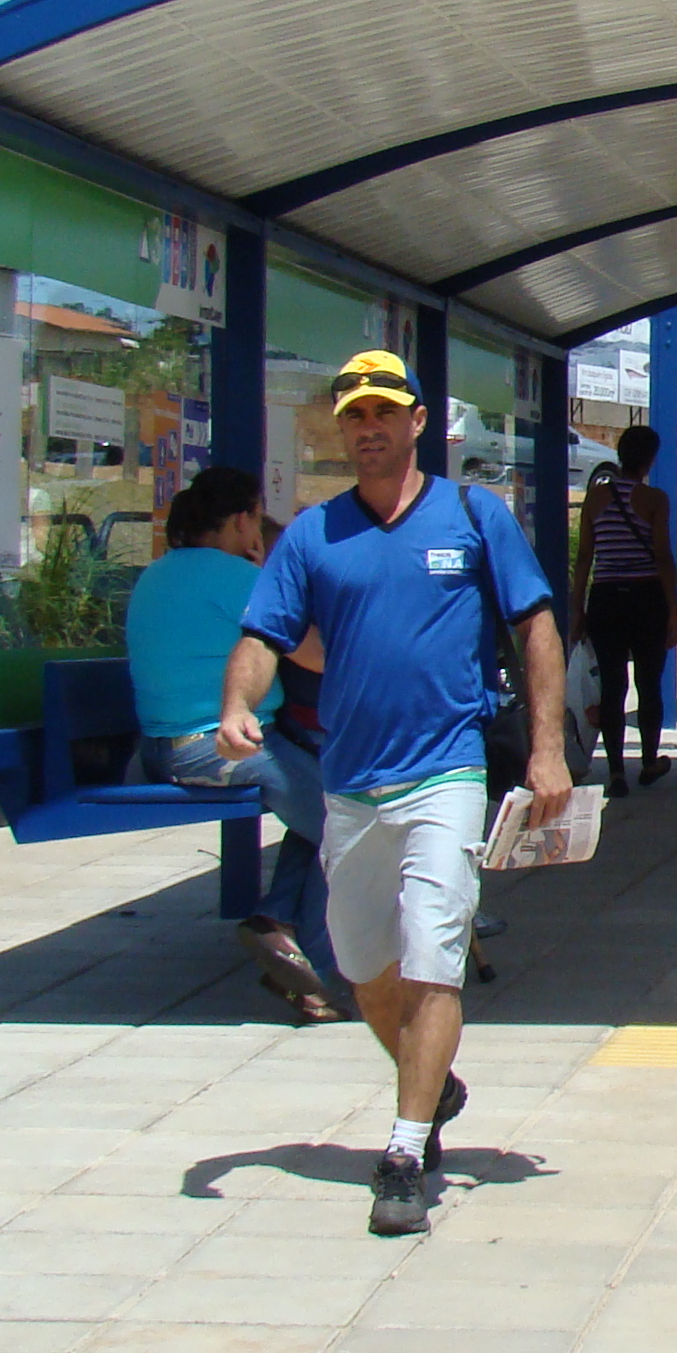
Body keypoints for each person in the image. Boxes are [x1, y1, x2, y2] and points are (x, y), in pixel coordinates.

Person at [221, 350, 571, 1238]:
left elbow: (535, 624)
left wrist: (546, 750)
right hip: (352, 783)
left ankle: (406, 1152)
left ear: (419, 422)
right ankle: (436, 1082)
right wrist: (236, 703)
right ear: (340, 430)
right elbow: (267, 630)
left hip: (447, 770)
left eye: (384, 411)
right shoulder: (313, 534)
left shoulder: (470, 514)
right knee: (358, 964)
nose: (368, 427)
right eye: (353, 415)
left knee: (433, 952)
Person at [126, 466, 340, 1024]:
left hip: (154, 748)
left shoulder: (154, 574)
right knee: (346, 821)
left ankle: (278, 923)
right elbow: (317, 656)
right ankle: (314, 966)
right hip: (215, 748)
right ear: (244, 519)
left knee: (327, 804)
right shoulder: (240, 579)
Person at [569, 425, 677, 798]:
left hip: (605, 598)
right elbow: (664, 557)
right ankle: (649, 761)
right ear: (650, 458)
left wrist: (577, 608)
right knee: (649, 682)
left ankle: (616, 770)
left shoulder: (595, 499)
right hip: (645, 596)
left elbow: (585, 557)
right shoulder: (654, 499)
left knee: (612, 685)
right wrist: (672, 610)